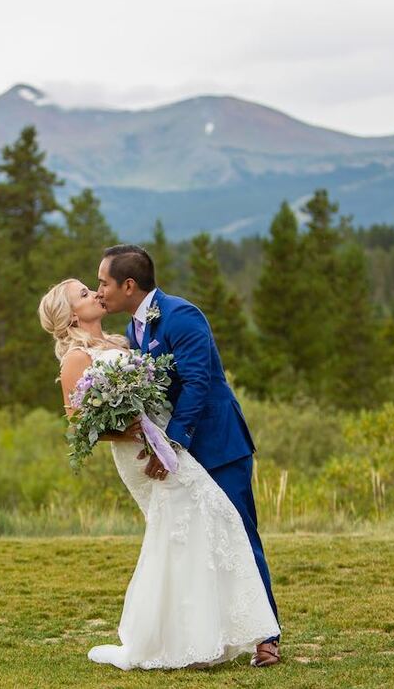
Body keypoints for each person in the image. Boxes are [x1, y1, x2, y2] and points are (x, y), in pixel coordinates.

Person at [37, 273, 280, 671]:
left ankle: (212, 634)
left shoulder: (121, 342)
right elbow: (78, 424)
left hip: (167, 446)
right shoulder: (76, 359)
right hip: (139, 455)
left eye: (94, 286)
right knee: (182, 530)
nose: (95, 292)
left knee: (203, 526)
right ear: (70, 316)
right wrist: (125, 430)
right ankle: (184, 638)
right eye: (84, 293)